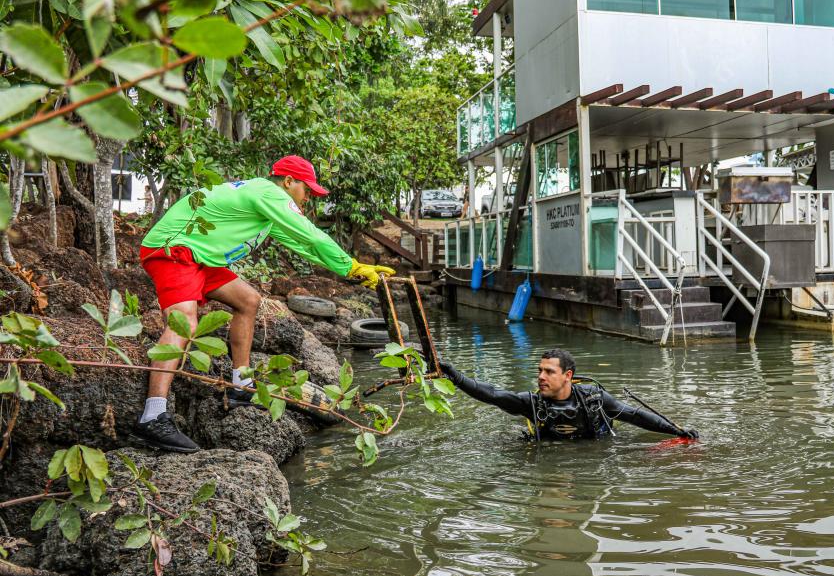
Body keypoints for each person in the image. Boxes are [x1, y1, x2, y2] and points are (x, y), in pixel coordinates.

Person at [134, 155, 395, 453]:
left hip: (200, 256)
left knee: (248, 300)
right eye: (306, 189)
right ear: (287, 182)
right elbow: (310, 233)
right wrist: (350, 266)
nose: (308, 197)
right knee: (184, 320)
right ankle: (153, 416)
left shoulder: (266, 210)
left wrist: (350, 270)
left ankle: (240, 386)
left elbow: (304, 243)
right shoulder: (267, 192)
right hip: (173, 248)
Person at [440, 349, 698, 441]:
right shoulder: (531, 403)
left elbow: (633, 415)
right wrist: (456, 376)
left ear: (568, 376)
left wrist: (676, 431)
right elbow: (493, 395)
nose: (541, 377)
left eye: (549, 372)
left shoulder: (593, 398)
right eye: (539, 371)